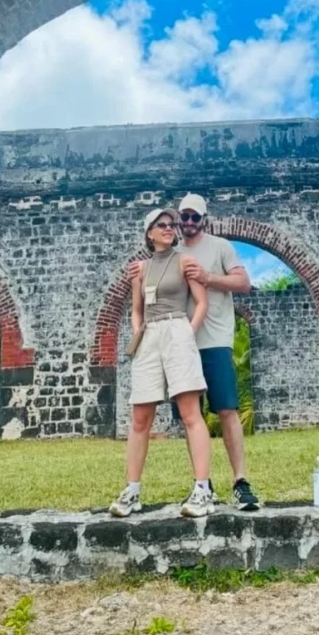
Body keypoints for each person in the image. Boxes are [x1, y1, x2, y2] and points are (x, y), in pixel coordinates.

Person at [109, 207, 215, 519]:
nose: (169, 228)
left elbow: (202, 302)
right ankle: (131, 490)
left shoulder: (185, 261)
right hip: (149, 335)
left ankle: (202, 489)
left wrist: (187, 332)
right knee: (140, 417)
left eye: (171, 224)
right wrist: (138, 333)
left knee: (190, 413)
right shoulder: (139, 270)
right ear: (149, 233)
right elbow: (136, 308)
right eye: (162, 225)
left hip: (177, 328)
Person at [174, 193, 261, 511]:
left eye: (195, 217)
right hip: (183, 343)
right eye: (184, 216)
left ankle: (240, 481)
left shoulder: (220, 247)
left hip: (215, 339)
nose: (189, 222)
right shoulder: (173, 252)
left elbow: (243, 282)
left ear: (204, 219)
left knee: (227, 409)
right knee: (190, 415)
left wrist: (208, 277)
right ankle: (202, 484)